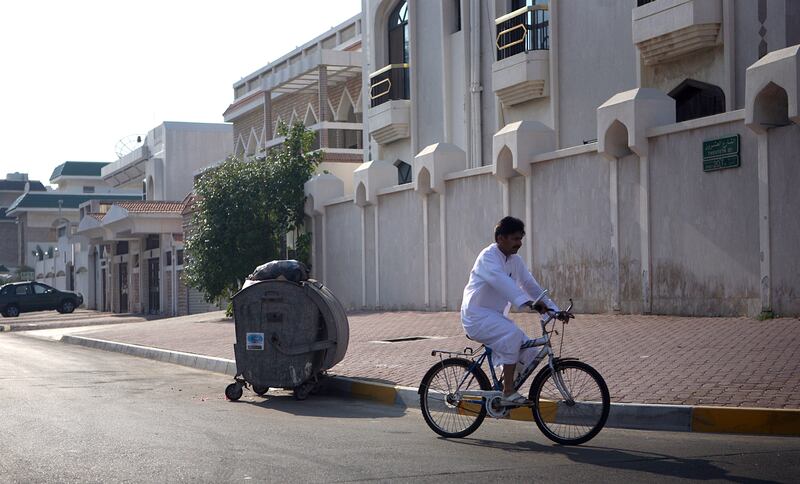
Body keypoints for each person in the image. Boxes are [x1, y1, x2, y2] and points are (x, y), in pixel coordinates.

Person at [460, 216, 563, 405]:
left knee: (530, 352)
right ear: (500, 238)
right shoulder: (488, 257)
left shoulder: (515, 260)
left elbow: (530, 285)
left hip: (495, 317)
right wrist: (527, 303)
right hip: (476, 316)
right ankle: (508, 391)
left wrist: (554, 311)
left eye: (520, 238)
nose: (519, 243)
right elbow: (501, 281)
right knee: (513, 335)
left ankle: (502, 392)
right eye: (515, 239)